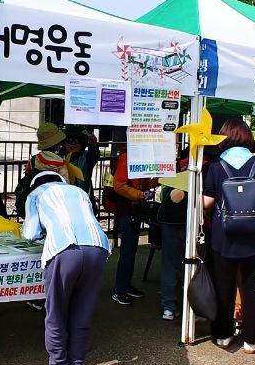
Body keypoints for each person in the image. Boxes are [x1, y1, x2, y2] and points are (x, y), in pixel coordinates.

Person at [21, 170, 111, 365]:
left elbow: (30, 233)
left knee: (57, 312)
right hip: (98, 248)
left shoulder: (36, 195)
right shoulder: (79, 192)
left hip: (64, 250)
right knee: (82, 310)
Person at [202, 118, 255, 353]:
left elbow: (207, 201)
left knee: (222, 286)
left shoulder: (215, 166)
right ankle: (252, 340)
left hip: (223, 236)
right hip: (254, 236)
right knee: (253, 287)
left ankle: (223, 335)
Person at [106, 145, 158, 305]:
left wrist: (159, 179)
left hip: (132, 209)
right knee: (128, 249)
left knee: (131, 249)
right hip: (126, 209)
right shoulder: (127, 157)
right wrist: (141, 194)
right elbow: (119, 186)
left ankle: (125, 286)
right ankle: (120, 289)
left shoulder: (138, 154)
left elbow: (140, 183)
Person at [157, 170, 190, 321]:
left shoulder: (170, 176)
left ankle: (168, 307)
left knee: (169, 265)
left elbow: (163, 196)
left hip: (169, 223)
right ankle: (192, 307)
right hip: (189, 223)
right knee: (192, 265)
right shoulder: (200, 172)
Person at [61, 128, 102, 193]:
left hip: (83, 195)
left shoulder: (87, 157)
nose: (73, 144)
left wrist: (93, 145)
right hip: (62, 195)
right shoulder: (58, 157)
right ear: (64, 143)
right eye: (69, 140)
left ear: (82, 144)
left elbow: (94, 155)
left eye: (77, 141)